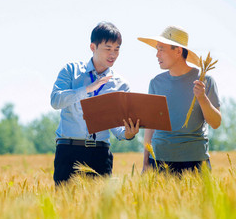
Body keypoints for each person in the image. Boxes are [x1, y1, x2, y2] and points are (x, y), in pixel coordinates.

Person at [51, 22, 140, 185]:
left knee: (99, 209)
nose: (113, 54)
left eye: (117, 49)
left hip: (100, 154)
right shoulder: (71, 71)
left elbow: (118, 127)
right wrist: (87, 89)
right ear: (93, 47)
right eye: (108, 48)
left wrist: (128, 134)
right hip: (68, 151)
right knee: (65, 208)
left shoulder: (121, 84)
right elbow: (56, 101)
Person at [138, 26, 221, 174]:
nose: (157, 55)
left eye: (161, 49)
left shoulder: (204, 80)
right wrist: (145, 162)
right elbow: (150, 127)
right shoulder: (155, 83)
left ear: (178, 51)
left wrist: (202, 98)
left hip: (195, 163)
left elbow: (215, 123)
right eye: (156, 49)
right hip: (158, 161)